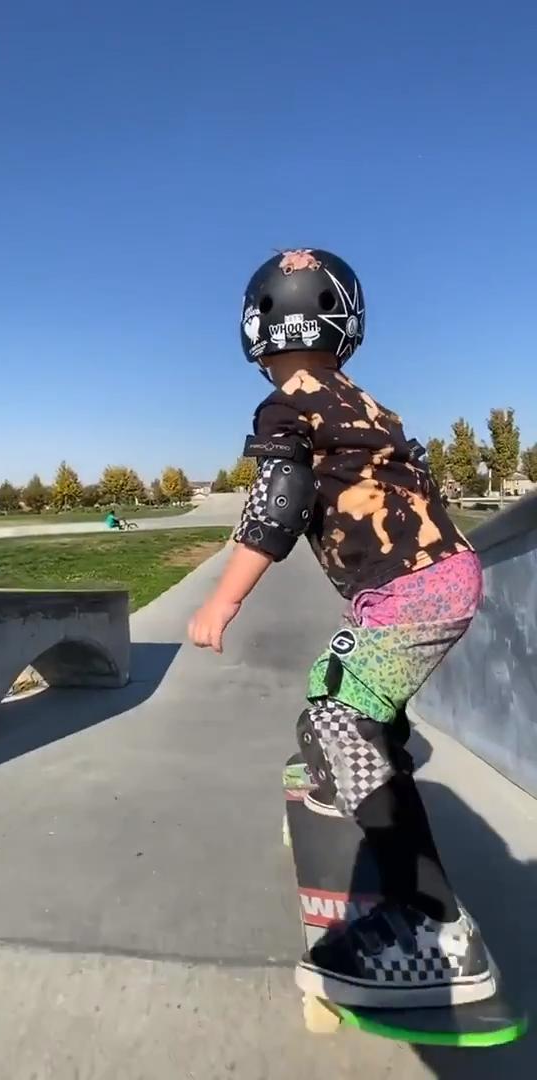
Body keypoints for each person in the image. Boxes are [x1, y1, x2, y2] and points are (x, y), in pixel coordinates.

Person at [188, 249, 496, 1008]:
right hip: (444, 575)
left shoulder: (286, 404)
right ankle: (353, 774)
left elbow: (277, 507)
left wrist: (221, 601)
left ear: (256, 333)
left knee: (336, 719)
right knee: (349, 693)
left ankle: (433, 931)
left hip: (407, 591)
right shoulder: (367, 405)